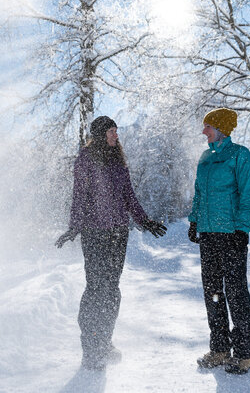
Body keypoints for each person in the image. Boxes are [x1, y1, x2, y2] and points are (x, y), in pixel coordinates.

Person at [55, 116, 167, 371]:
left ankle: (105, 341)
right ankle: (90, 347)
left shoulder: (118, 162)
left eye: (116, 131)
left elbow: (129, 196)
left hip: (118, 232)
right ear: (100, 134)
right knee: (96, 288)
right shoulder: (85, 160)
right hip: (94, 232)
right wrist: (75, 226)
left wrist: (144, 221)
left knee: (112, 288)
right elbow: (79, 196)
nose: (116, 136)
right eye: (112, 131)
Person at [188, 108, 250, 375]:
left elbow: (248, 192)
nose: (203, 131)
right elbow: (198, 192)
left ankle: (243, 354)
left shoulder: (240, 154)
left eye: (207, 126)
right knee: (213, 291)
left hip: (231, 235)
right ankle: (219, 349)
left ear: (221, 128)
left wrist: (242, 229)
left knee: (237, 293)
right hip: (208, 234)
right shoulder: (205, 157)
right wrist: (195, 221)